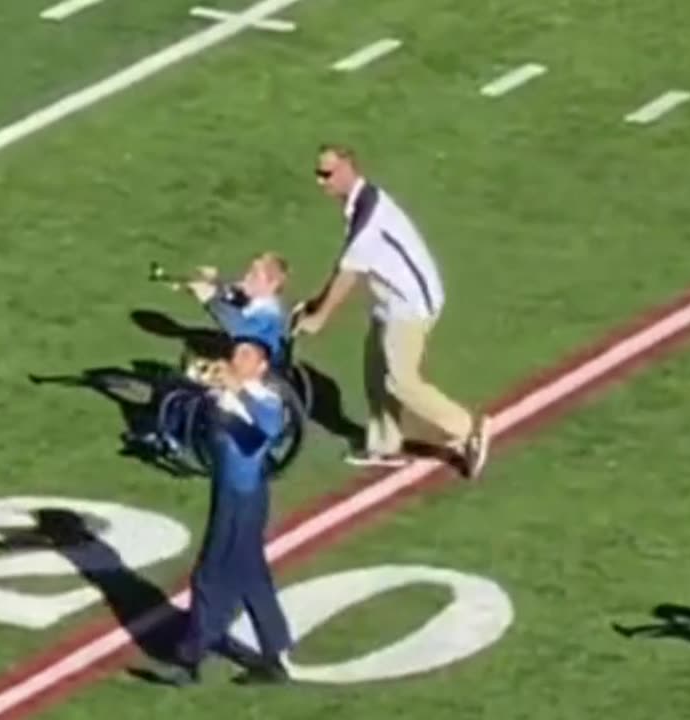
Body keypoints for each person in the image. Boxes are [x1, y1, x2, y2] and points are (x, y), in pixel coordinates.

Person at [293, 143, 489, 479]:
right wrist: (315, 302)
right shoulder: (361, 204)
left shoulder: (368, 217)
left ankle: (467, 428)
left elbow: (348, 274)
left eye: (325, 174)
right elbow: (346, 266)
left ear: (346, 170)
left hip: (409, 305)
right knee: (375, 368)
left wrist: (319, 317)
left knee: (400, 380)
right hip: (391, 301)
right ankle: (384, 444)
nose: (320, 181)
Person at [167, 336, 293, 686]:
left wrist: (238, 389)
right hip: (231, 494)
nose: (235, 358)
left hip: (243, 498)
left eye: (246, 354)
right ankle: (273, 653)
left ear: (262, 366)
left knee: (210, 574)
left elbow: (265, 429)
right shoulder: (226, 393)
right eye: (235, 353)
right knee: (251, 577)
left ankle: (191, 657)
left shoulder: (268, 399)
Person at [185, 252, 290, 368]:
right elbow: (231, 292)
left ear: (272, 284)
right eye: (249, 272)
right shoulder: (256, 299)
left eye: (254, 275)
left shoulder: (271, 312)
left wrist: (210, 299)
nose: (247, 277)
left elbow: (240, 328)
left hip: (260, 374)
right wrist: (215, 280)